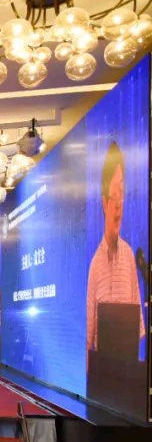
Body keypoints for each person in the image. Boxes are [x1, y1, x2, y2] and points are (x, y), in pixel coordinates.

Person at [87, 141, 144, 359]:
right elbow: (88, 335)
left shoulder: (129, 256)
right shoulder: (95, 264)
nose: (119, 203)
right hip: (103, 366)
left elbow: (138, 325)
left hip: (127, 365)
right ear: (104, 203)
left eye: (122, 192)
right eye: (114, 194)